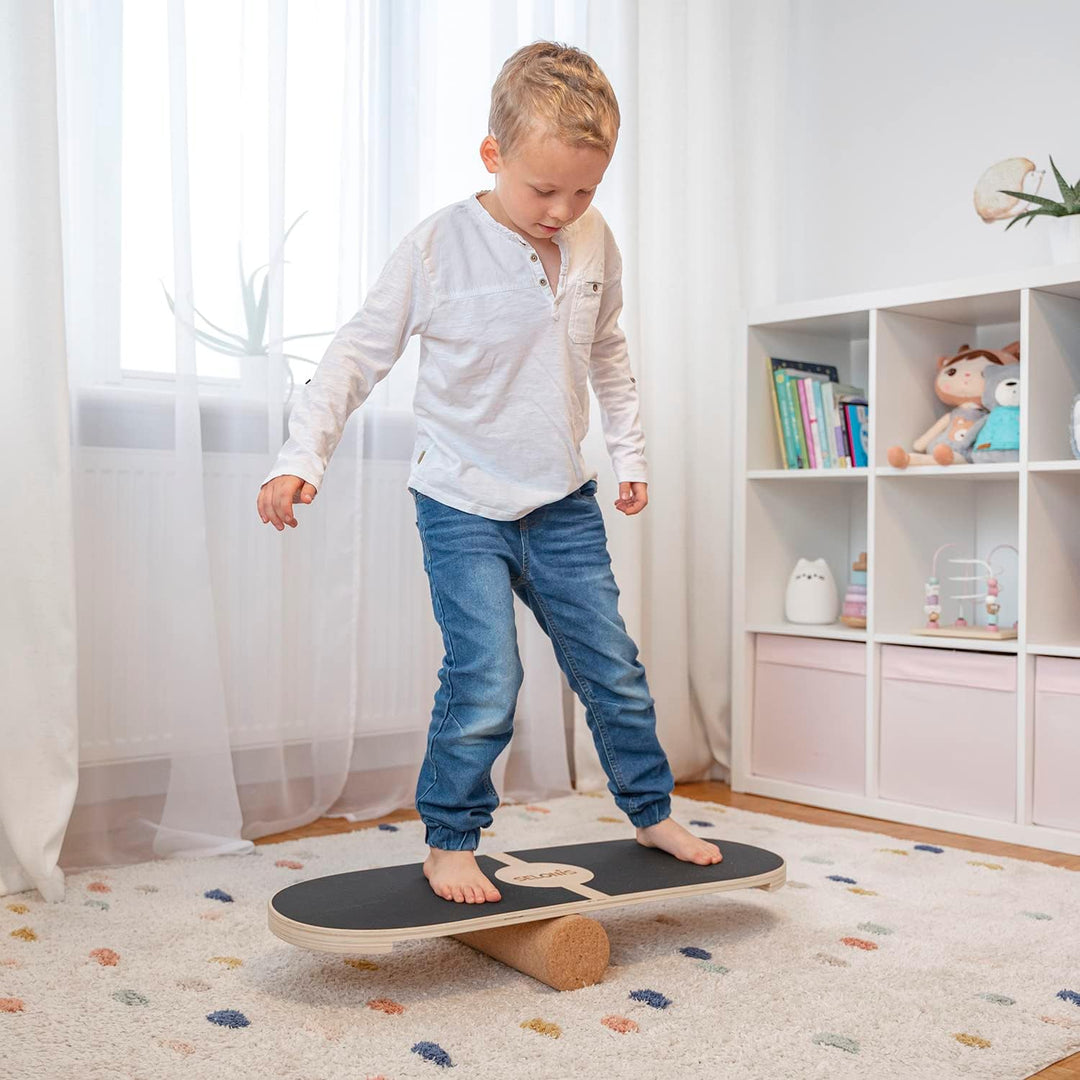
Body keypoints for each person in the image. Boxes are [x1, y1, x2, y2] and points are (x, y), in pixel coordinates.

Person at [257, 40, 721, 905]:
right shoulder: (439, 246)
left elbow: (608, 351)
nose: (563, 208)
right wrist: (301, 457)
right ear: (492, 155)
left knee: (611, 665)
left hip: (562, 500)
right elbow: (359, 355)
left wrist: (630, 453)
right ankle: (451, 839)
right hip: (461, 499)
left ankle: (651, 809)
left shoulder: (593, 241)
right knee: (487, 674)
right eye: (543, 188)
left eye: (584, 189)